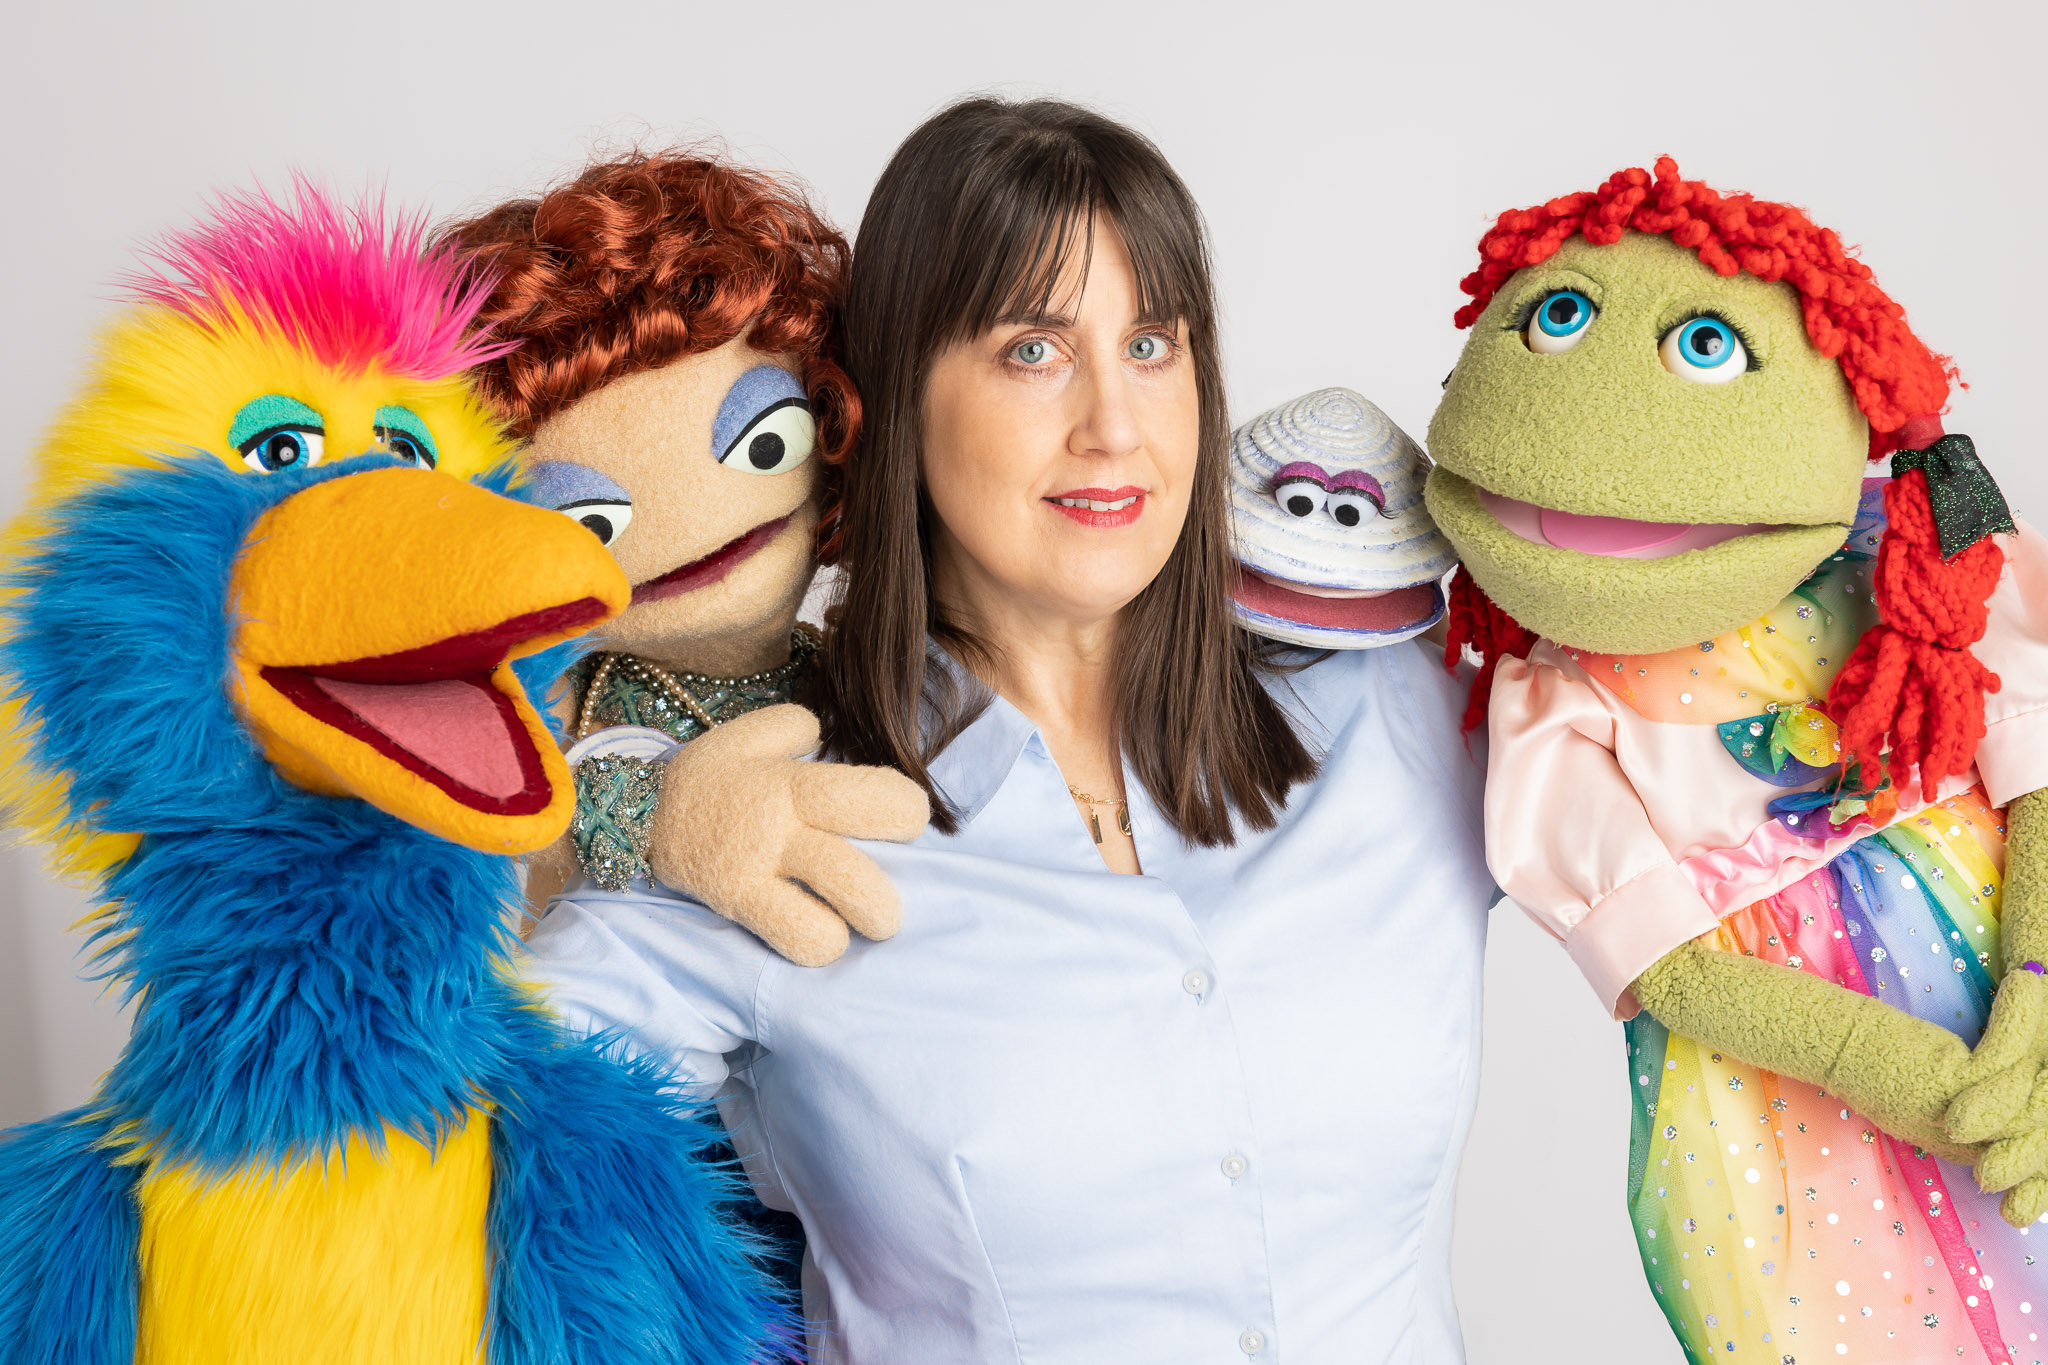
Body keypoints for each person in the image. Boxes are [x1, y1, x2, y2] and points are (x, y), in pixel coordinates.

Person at [526, 97, 1495, 1363]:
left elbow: (1729, 804)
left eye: (1150, 343)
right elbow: (407, 1146)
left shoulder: (1401, 709)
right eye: (1032, 350)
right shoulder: (769, 833)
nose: (1113, 426)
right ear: (891, 398)